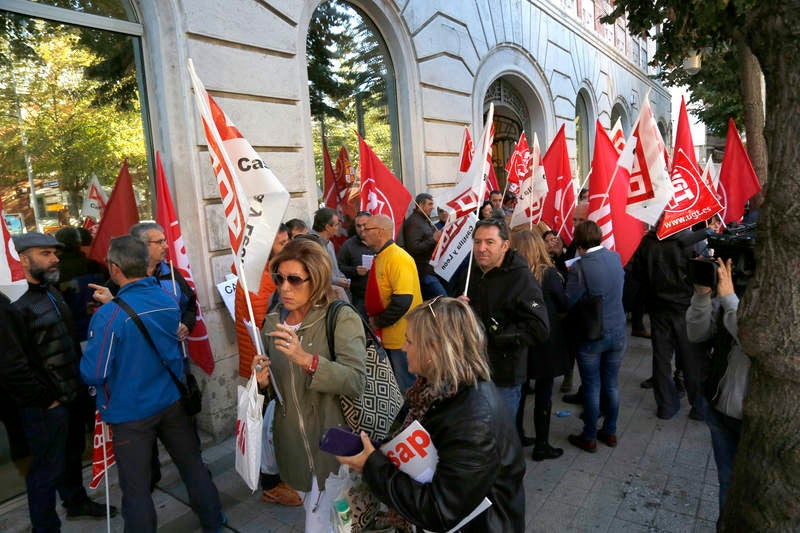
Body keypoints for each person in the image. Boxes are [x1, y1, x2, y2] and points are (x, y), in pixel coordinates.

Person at [336, 297, 526, 532]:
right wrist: (375, 453)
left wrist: (372, 466)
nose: (403, 348)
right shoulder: (431, 390)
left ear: (434, 349)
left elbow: (439, 509)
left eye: (409, 340)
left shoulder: (473, 420)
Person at [80, 236, 223, 532]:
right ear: (146, 264)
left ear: (115, 268)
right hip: (171, 401)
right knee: (193, 467)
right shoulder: (165, 298)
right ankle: (214, 522)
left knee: (136, 490)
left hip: (130, 414)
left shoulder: (109, 316)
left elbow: (94, 373)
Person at [250, 238, 366, 532]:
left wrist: (308, 360)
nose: (284, 288)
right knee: (324, 517)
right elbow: (277, 390)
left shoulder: (340, 317)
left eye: (294, 279)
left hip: (333, 448)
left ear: (316, 279)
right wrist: (261, 382)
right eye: (279, 278)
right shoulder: (272, 321)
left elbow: (355, 380)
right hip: (292, 447)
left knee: (325, 523)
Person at [11, 232, 115, 532]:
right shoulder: (13, 304)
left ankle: (76, 502)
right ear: (22, 259)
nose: (55, 258)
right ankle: (45, 527)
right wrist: (46, 399)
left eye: (55, 252)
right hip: (45, 405)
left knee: (71, 455)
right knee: (45, 470)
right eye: (45, 254)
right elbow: (13, 364)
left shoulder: (51, 291)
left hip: (72, 393)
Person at [450, 218, 549, 419]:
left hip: (503, 377)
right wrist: (455, 307)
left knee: (499, 432)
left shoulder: (521, 278)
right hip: (469, 371)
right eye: (477, 242)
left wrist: (496, 334)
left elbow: (539, 328)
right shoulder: (470, 272)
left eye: (489, 242)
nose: (481, 248)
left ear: (505, 245)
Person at [231, 224, 301, 507]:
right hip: (264, 368)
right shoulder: (258, 280)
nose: (287, 247)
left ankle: (279, 476)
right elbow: (267, 329)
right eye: (281, 243)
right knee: (267, 426)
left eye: (287, 241)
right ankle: (271, 484)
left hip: (269, 365)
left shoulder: (269, 274)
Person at [686, 258, 748, 522]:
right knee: (727, 482)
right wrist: (702, 296)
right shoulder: (732, 295)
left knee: (749, 490)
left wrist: (730, 299)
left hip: (754, 419)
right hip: (719, 408)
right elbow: (697, 334)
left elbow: (753, 342)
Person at [630, 226, 707, 420]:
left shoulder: (648, 241)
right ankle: (698, 406)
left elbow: (637, 273)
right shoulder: (692, 240)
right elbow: (704, 276)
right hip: (684, 307)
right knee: (691, 359)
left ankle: (666, 405)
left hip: (659, 306)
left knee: (661, 358)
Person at [565, 221, 627, 453]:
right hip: (617, 330)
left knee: (592, 386)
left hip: (593, 334)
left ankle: (589, 436)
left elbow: (569, 300)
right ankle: (610, 431)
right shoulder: (615, 257)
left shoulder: (580, 267)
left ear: (579, 243)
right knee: (611, 383)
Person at [511, 230, 569, 460]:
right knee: (544, 393)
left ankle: (518, 435)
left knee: (521, 391)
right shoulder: (549, 275)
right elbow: (563, 304)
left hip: (522, 340)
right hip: (546, 341)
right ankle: (542, 444)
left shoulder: (512, 275)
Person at [362, 214, 423, 393]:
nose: (363, 232)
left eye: (367, 229)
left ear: (380, 232)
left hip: (402, 339)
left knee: (407, 388)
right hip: (388, 337)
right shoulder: (382, 256)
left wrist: (378, 321)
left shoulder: (398, 258)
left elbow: (403, 301)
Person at [402, 193, 446, 299]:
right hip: (424, 273)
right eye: (430, 204)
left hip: (432, 270)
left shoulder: (425, 220)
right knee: (444, 299)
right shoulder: (414, 222)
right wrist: (433, 239)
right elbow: (414, 247)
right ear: (421, 205)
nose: (432, 207)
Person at [337, 211, 373, 317]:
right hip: (359, 297)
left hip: (380, 295)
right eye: (358, 226)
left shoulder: (380, 241)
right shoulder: (348, 245)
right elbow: (339, 267)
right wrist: (355, 271)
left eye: (365, 225)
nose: (362, 229)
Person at [311, 207, 351, 291]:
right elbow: (315, 275)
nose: (338, 228)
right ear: (328, 227)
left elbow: (335, 270)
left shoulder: (329, 244)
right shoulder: (311, 245)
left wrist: (343, 279)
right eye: (336, 225)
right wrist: (337, 281)